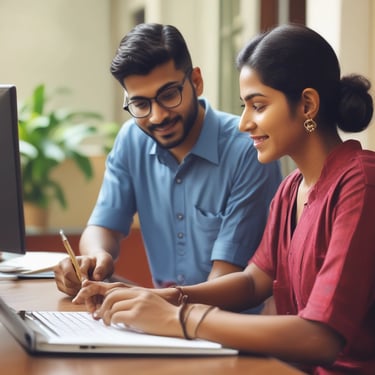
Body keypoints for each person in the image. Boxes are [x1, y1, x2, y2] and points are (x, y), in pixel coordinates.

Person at [73, 23, 375, 374]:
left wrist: (181, 317)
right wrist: (165, 298)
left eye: (258, 106)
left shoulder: (360, 182)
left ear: (307, 104)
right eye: (244, 106)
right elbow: (251, 282)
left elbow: (321, 338)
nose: (245, 123)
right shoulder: (291, 188)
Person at [54, 23, 282, 297]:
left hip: (233, 328)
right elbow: (103, 227)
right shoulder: (131, 140)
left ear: (196, 81)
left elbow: (225, 282)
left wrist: (142, 300)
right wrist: (94, 259)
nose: (157, 116)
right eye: (140, 104)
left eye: (169, 95)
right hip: (161, 320)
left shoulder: (249, 150)